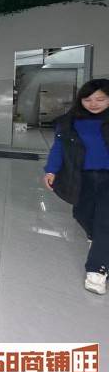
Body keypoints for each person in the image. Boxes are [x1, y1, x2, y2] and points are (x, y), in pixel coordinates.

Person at [44, 78, 109, 295]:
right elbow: (59, 148)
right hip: (82, 177)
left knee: (105, 222)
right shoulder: (69, 122)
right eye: (88, 99)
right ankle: (95, 237)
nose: (93, 104)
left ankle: (97, 271)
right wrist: (51, 170)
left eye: (100, 99)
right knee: (82, 214)